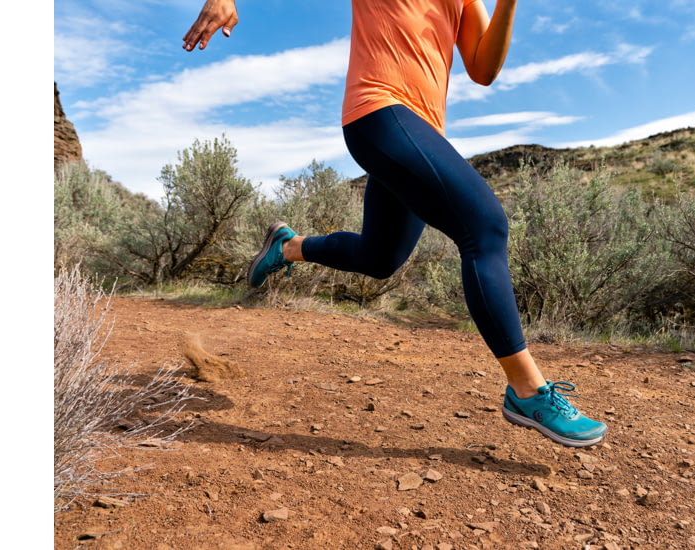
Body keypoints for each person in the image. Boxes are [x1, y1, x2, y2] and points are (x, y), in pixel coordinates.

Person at [183, 0, 607, 448]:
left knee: (380, 256)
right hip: (378, 111)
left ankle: (288, 246)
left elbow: (482, 68)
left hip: (420, 129)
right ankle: (527, 391)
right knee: (485, 228)